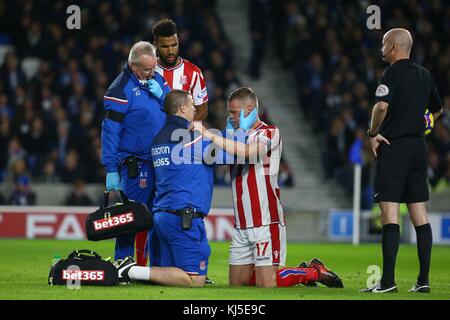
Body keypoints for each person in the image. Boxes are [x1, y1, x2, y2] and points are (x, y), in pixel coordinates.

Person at [191, 87, 343, 288]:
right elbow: (213, 157)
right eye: (229, 112)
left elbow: (250, 154)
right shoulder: (233, 138)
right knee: (238, 283)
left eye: (235, 112)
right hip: (242, 223)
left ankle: (313, 272)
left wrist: (210, 135)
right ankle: (287, 271)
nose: (231, 117)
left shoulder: (269, 132)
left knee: (267, 284)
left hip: (265, 220)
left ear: (251, 109)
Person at [364, 28, 445, 293]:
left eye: (384, 44)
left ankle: (387, 283)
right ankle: (423, 282)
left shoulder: (392, 73)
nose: (382, 49)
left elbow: (382, 106)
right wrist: (423, 126)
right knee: (419, 215)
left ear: (395, 48)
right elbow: (438, 110)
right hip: (417, 149)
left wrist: (373, 133)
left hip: (394, 147)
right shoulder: (425, 75)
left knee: (389, 215)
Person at [115, 90, 213, 287]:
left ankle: (133, 271)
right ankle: (129, 270)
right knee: (195, 280)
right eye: (192, 104)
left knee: (167, 277)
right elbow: (234, 154)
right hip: (183, 218)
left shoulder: (158, 138)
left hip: (161, 218)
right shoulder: (192, 137)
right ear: (183, 108)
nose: (195, 108)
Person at [101, 41, 170, 266]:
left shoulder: (157, 79)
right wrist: (111, 169)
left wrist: (163, 96)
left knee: (159, 219)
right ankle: (123, 265)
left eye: (154, 68)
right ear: (133, 65)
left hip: (160, 163)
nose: (152, 73)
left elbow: (176, 108)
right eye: (147, 69)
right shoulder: (120, 90)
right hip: (135, 165)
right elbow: (110, 132)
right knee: (130, 219)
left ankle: (157, 269)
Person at [152, 18, 208, 121]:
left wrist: (183, 131)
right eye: (165, 46)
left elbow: (202, 110)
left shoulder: (193, 72)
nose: (170, 51)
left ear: (178, 41)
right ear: (156, 46)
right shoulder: (148, 69)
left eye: (174, 45)